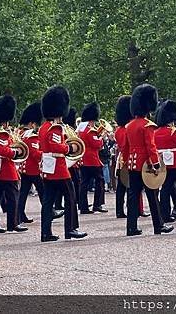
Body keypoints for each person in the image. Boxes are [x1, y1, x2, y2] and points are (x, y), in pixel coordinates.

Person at [38, 85, 87, 242]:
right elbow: (56, 146)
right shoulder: (55, 128)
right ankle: (71, 229)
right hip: (58, 167)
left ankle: (46, 232)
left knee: (48, 201)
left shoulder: (43, 127)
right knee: (70, 197)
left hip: (48, 167)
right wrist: (69, 147)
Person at [125, 84, 173, 236]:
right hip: (145, 165)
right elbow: (150, 147)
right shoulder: (147, 125)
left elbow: (126, 148)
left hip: (132, 164)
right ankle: (158, 225)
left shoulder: (129, 125)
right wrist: (156, 163)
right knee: (152, 196)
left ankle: (131, 228)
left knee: (133, 196)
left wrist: (126, 162)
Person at [0, 94, 27, 234]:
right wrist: (15, 152)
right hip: (6, 170)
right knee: (13, 198)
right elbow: (3, 150)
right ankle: (12, 224)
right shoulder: (1, 133)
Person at [154, 100, 176, 222]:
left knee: (166, 188)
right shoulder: (174, 132)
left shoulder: (156, 132)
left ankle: (165, 215)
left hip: (164, 164)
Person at [17, 102, 45, 224]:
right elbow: (35, 153)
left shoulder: (22, 134)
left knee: (23, 193)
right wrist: (44, 155)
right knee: (42, 191)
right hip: (32, 168)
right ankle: (49, 211)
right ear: (32, 123)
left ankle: (19, 214)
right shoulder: (32, 136)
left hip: (25, 168)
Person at [78, 102, 107, 213]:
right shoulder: (90, 131)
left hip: (84, 160)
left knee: (84, 183)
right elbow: (97, 145)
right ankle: (97, 204)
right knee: (100, 181)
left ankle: (83, 206)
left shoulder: (81, 130)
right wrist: (102, 138)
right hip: (92, 160)